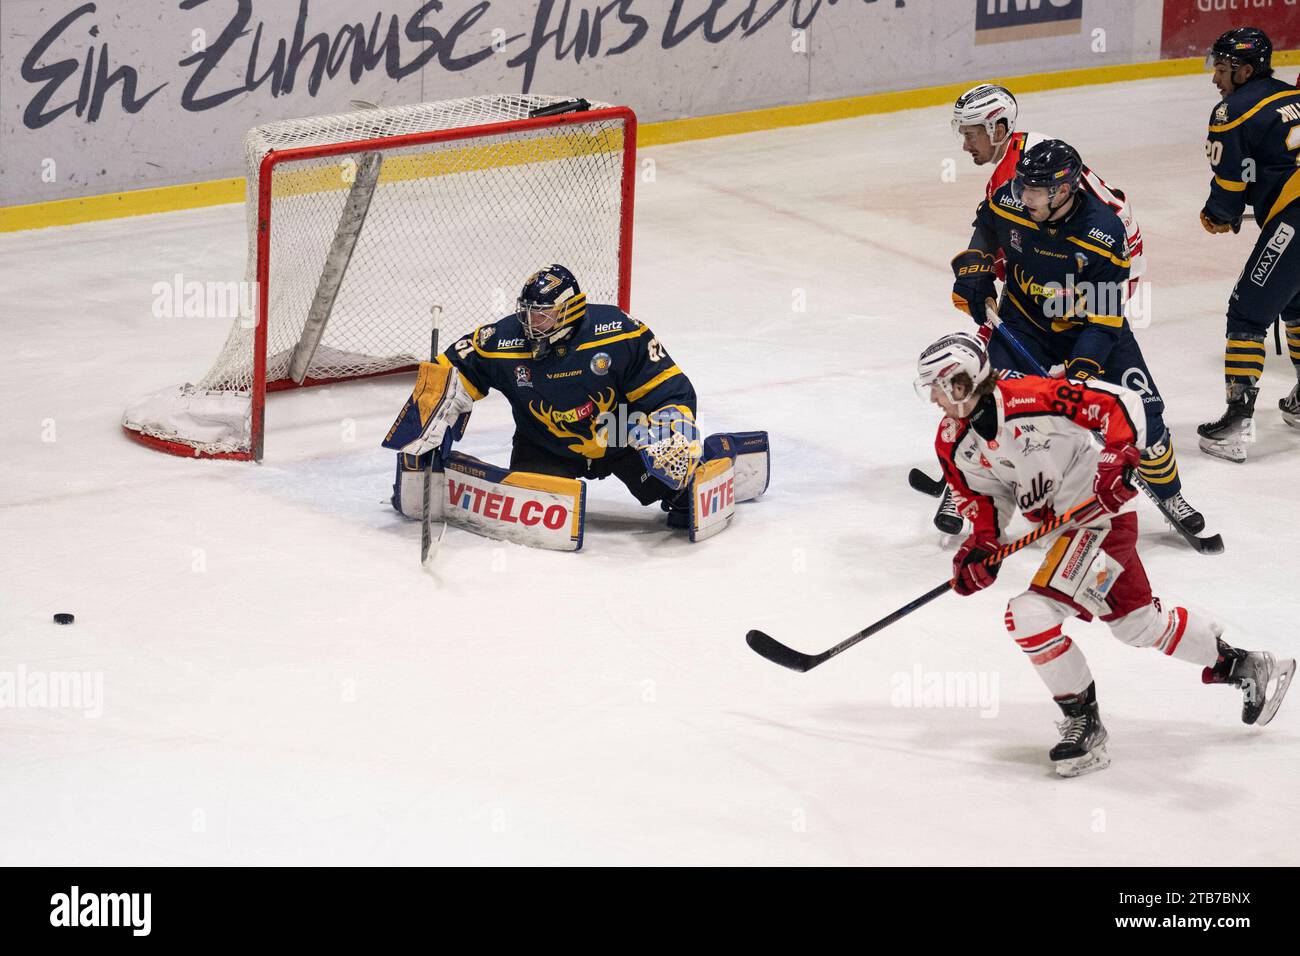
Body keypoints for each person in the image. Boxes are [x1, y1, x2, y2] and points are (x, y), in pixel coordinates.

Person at [917, 331, 1293, 777]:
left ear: (962, 381)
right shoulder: (953, 442)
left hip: (1101, 521)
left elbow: (1119, 403)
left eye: (940, 387)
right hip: (1067, 533)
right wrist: (982, 546)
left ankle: (1084, 725)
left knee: (1029, 615)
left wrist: (1120, 455)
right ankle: (1245, 665)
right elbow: (984, 498)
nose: (935, 399)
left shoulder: (1031, 398)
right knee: (1138, 625)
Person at [951, 138, 1205, 534]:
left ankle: (1170, 492)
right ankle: (965, 489)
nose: (1024, 196)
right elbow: (986, 226)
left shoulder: (1103, 235)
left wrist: (1079, 375)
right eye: (1023, 185)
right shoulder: (1010, 201)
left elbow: (1104, 320)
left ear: (1065, 190)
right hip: (1024, 324)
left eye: (1035, 190)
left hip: (1089, 332)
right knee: (985, 404)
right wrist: (976, 273)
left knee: (1146, 417)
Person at [392, 264, 702, 526]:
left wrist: (671, 429)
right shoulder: (500, 341)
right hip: (544, 444)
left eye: (542, 315)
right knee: (530, 511)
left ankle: (689, 485)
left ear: (569, 310)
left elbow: (666, 387)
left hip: (619, 435)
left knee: (677, 487)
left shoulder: (619, 331)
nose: (530, 323)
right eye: (526, 313)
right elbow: (449, 374)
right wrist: (430, 421)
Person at [1195, 27, 1300, 462]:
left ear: (1245, 70)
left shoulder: (1231, 110)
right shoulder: (1290, 93)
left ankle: (1237, 424)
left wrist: (1218, 214)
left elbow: (1230, 180)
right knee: (1294, 303)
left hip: (1295, 221)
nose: (1215, 77)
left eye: (1222, 68)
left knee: (1247, 311)